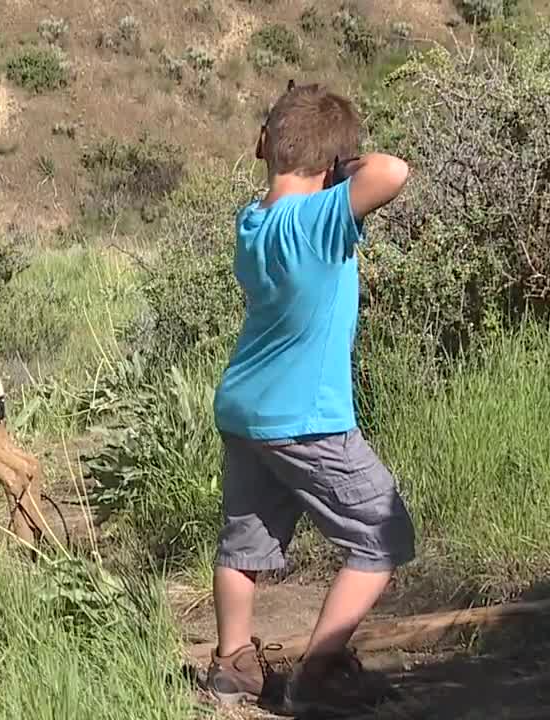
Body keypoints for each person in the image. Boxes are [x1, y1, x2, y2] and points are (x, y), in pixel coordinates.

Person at [196, 81, 417, 717]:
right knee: (381, 536)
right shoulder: (318, 219)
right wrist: (343, 165)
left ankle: (233, 663)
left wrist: (314, 158)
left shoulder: (254, 221)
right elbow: (392, 172)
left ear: (262, 144)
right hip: (308, 419)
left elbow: (308, 178)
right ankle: (318, 671)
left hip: (244, 410)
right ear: (330, 166)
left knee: (245, 544)